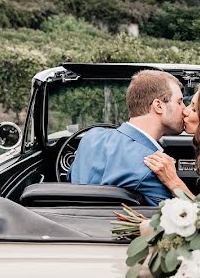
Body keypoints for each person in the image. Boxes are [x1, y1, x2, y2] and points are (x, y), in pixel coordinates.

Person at [69, 70, 187, 206]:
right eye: (179, 102)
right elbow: (177, 215)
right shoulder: (153, 166)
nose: (184, 109)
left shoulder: (90, 137)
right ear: (159, 106)